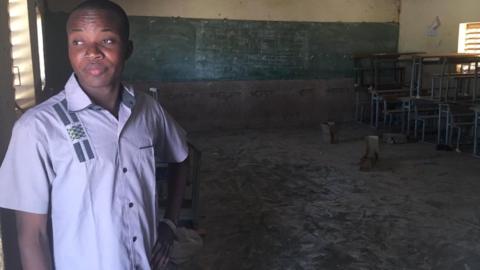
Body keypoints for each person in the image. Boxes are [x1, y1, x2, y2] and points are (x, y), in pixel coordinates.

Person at [0, 1, 189, 269]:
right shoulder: (37, 127)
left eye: (107, 40)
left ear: (128, 49)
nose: (91, 53)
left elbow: (181, 157)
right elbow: (33, 237)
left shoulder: (148, 110)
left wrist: (169, 224)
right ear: (67, 49)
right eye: (78, 42)